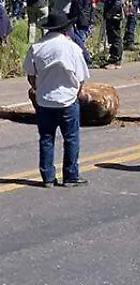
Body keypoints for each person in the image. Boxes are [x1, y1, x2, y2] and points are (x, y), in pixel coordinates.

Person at [24, 12, 90, 187]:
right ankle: (70, 176)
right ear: (65, 28)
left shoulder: (36, 47)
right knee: (71, 138)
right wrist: (77, 93)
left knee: (46, 138)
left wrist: (38, 89)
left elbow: (31, 75)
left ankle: (47, 177)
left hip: (45, 100)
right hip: (67, 99)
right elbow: (81, 76)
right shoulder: (72, 48)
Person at [101, 0, 129, 69]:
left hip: (115, 16)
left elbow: (119, 2)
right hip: (111, 16)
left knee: (116, 37)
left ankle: (116, 60)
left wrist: (110, 13)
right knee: (112, 38)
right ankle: (113, 58)